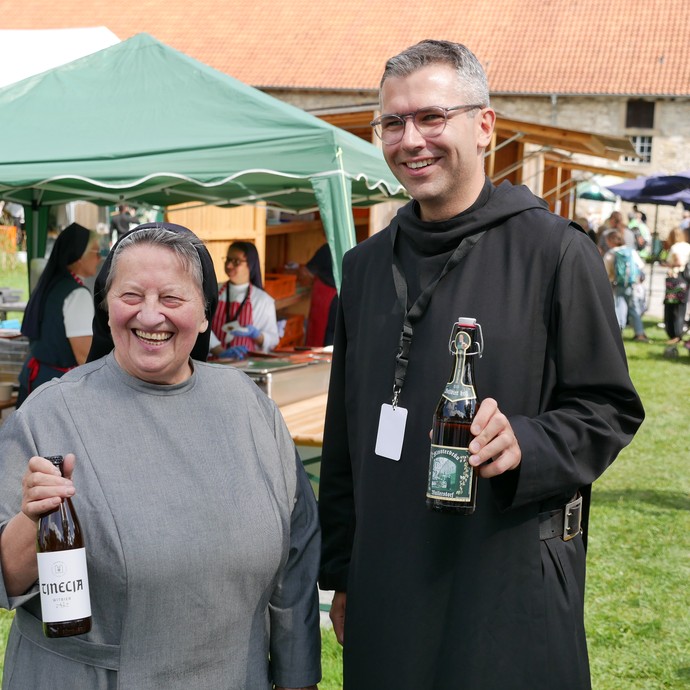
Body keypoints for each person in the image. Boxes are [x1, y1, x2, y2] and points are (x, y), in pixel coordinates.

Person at [318, 40, 644, 690]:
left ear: (484, 126)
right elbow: (344, 436)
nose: (411, 140)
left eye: (431, 118)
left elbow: (609, 409)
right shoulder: (362, 269)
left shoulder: (554, 254)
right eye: (393, 122)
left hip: (504, 578)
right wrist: (343, 571)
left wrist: (528, 439)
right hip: (388, 583)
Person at [0, 223, 321, 690]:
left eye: (172, 299)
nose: (150, 316)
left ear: (206, 314)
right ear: (106, 307)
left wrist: (297, 678)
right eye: (131, 296)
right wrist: (33, 523)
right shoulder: (50, 413)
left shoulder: (251, 407)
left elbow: (297, 554)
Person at [16, 223, 101, 407]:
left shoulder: (50, 284)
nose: (99, 258)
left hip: (34, 381)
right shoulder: (76, 294)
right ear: (79, 256)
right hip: (55, 390)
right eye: (96, 252)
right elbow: (84, 356)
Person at [209, 240, 280, 360]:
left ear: (250, 265)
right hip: (213, 361)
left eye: (236, 261)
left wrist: (257, 335)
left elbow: (273, 339)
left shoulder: (262, 300)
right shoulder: (213, 292)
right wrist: (220, 352)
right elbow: (201, 326)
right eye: (228, 259)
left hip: (246, 366)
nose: (229, 265)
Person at [602, 230, 649, 342]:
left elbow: (606, 272)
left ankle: (617, 333)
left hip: (618, 284)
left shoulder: (611, 254)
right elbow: (641, 266)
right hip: (632, 284)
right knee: (634, 309)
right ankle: (640, 333)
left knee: (619, 308)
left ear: (610, 241)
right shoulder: (631, 251)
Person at [303, 243, 338, 347]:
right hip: (346, 301)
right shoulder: (351, 242)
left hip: (329, 301)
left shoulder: (328, 248)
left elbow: (306, 273)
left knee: (324, 341)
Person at [662, 227, 690, 344]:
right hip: (685, 279)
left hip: (675, 278)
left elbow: (678, 262)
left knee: (672, 307)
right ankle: (678, 334)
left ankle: (675, 335)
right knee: (681, 307)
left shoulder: (675, 247)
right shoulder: (688, 246)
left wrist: (668, 264)